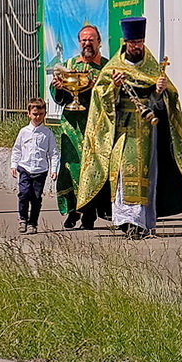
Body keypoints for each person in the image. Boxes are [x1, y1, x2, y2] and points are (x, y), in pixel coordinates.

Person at [77, 17, 182, 239]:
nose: (137, 46)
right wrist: (115, 86)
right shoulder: (114, 68)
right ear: (125, 42)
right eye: (133, 43)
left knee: (147, 176)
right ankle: (126, 220)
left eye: (140, 41)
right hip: (122, 130)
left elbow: (165, 102)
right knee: (122, 173)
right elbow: (100, 100)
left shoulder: (151, 66)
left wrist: (160, 91)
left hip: (149, 133)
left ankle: (143, 222)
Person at [49, 24, 109, 229]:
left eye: (91, 39)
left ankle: (89, 214)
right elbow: (61, 98)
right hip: (72, 126)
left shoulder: (106, 67)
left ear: (99, 42)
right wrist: (59, 87)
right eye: (84, 40)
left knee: (92, 169)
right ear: (79, 42)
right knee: (71, 168)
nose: (87, 43)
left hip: (96, 126)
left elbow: (111, 97)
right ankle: (72, 211)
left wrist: (95, 88)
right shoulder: (71, 64)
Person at [10, 98, 59, 234]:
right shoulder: (24, 131)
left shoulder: (47, 133)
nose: (38, 117)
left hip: (40, 170)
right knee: (24, 194)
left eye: (41, 114)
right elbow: (17, 149)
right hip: (25, 168)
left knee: (36, 198)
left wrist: (54, 169)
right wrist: (14, 165)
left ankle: (33, 223)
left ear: (45, 114)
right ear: (29, 114)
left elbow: (53, 153)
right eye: (35, 114)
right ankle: (23, 219)